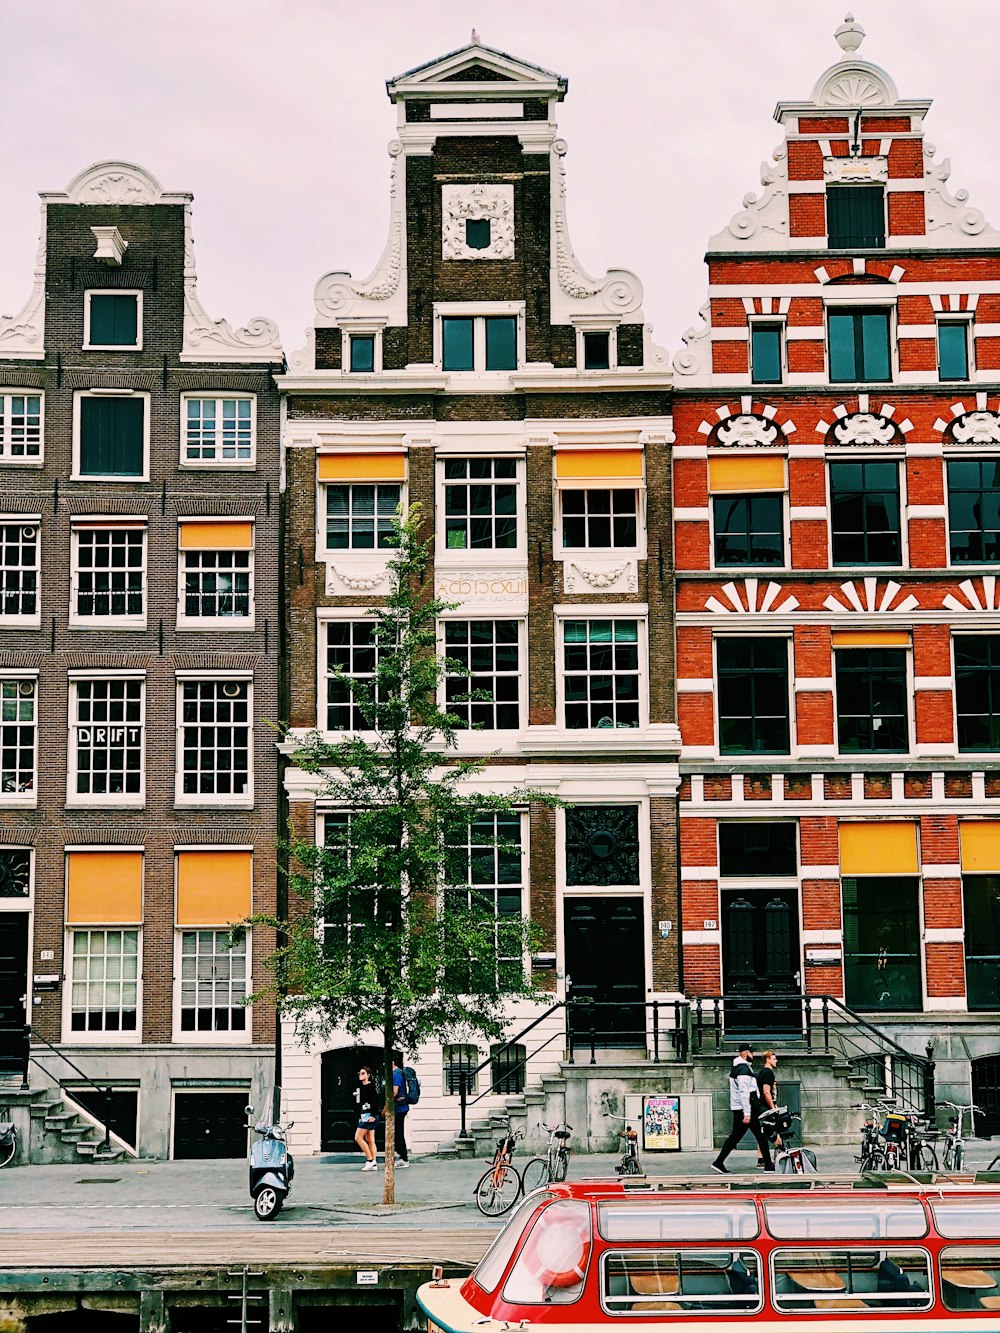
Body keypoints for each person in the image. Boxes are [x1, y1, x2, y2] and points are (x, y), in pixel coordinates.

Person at [711, 1043, 773, 1174]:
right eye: (751, 1053)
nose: (753, 1055)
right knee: (747, 1136)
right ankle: (767, 1164)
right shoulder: (743, 1070)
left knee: (752, 1135)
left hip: (744, 1108)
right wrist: (747, 1113)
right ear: (745, 1054)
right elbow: (744, 1092)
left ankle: (768, 1164)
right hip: (745, 1109)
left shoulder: (741, 1068)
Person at [756, 1050, 781, 1167]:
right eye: (774, 1058)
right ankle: (780, 1153)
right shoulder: (768, 1073)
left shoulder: (762, 1072)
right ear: (768, 1059)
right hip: (767, 1107)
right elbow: (766, 1092)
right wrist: (773, 1108)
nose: (776, 1061)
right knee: (772, 1132)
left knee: (763, 1132)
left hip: (761, 1106)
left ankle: (761, 1158)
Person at [354, 1066, 380, 1171]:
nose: (361, 1075)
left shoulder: (370, 1087)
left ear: (368, 1075)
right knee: (370, 1139)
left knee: (358, 1137)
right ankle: (373, 1163)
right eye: (360, 1073)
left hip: (369, 1116)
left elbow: (374, 1102)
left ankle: (370, 1160)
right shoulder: (361, 1087)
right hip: (364, 1115)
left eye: (363, 1073)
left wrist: (373, 1115)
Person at [391, 1055, 409, 1167]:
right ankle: (401, 1155)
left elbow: (394, 1092)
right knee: (398, 1132)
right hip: (401, 1107)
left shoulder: (396, 1074)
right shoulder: (399, 1073)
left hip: (399, 1108)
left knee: (398, 1132)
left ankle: (404, 1158)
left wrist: (386, 1106)